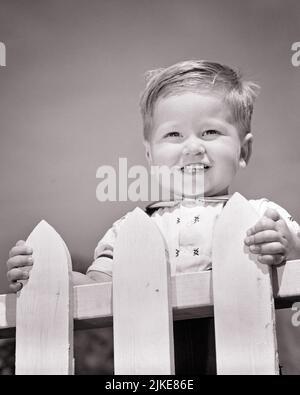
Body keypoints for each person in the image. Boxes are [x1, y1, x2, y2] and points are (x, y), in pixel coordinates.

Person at [6, 60, 300, 374]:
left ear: (244, 150)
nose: (192, 147)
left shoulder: (260, 216)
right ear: (149, 154)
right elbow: (95, 286)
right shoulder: (130, 231)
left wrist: (289, 248)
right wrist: (48, 275)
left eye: (211, 131)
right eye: (173, 134)